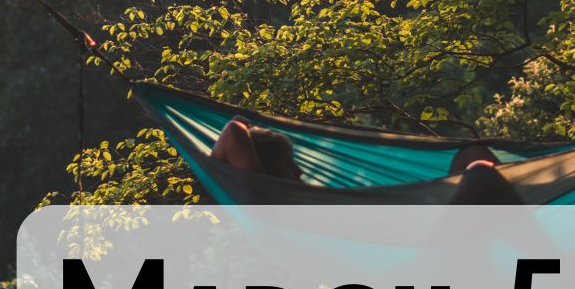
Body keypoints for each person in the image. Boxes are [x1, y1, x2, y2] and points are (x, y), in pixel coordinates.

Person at [212, 117, 522, 203]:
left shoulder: (295, 194)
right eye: (288, 164)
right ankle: (545, 260)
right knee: (481, 172)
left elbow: (238, 125)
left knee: (473, 154)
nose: (300, 170)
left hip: (422, 223)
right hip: (414, 257)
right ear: (265, 173)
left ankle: (539, 233)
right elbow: (234, 130)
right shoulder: (270, 202)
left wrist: (260, 134)